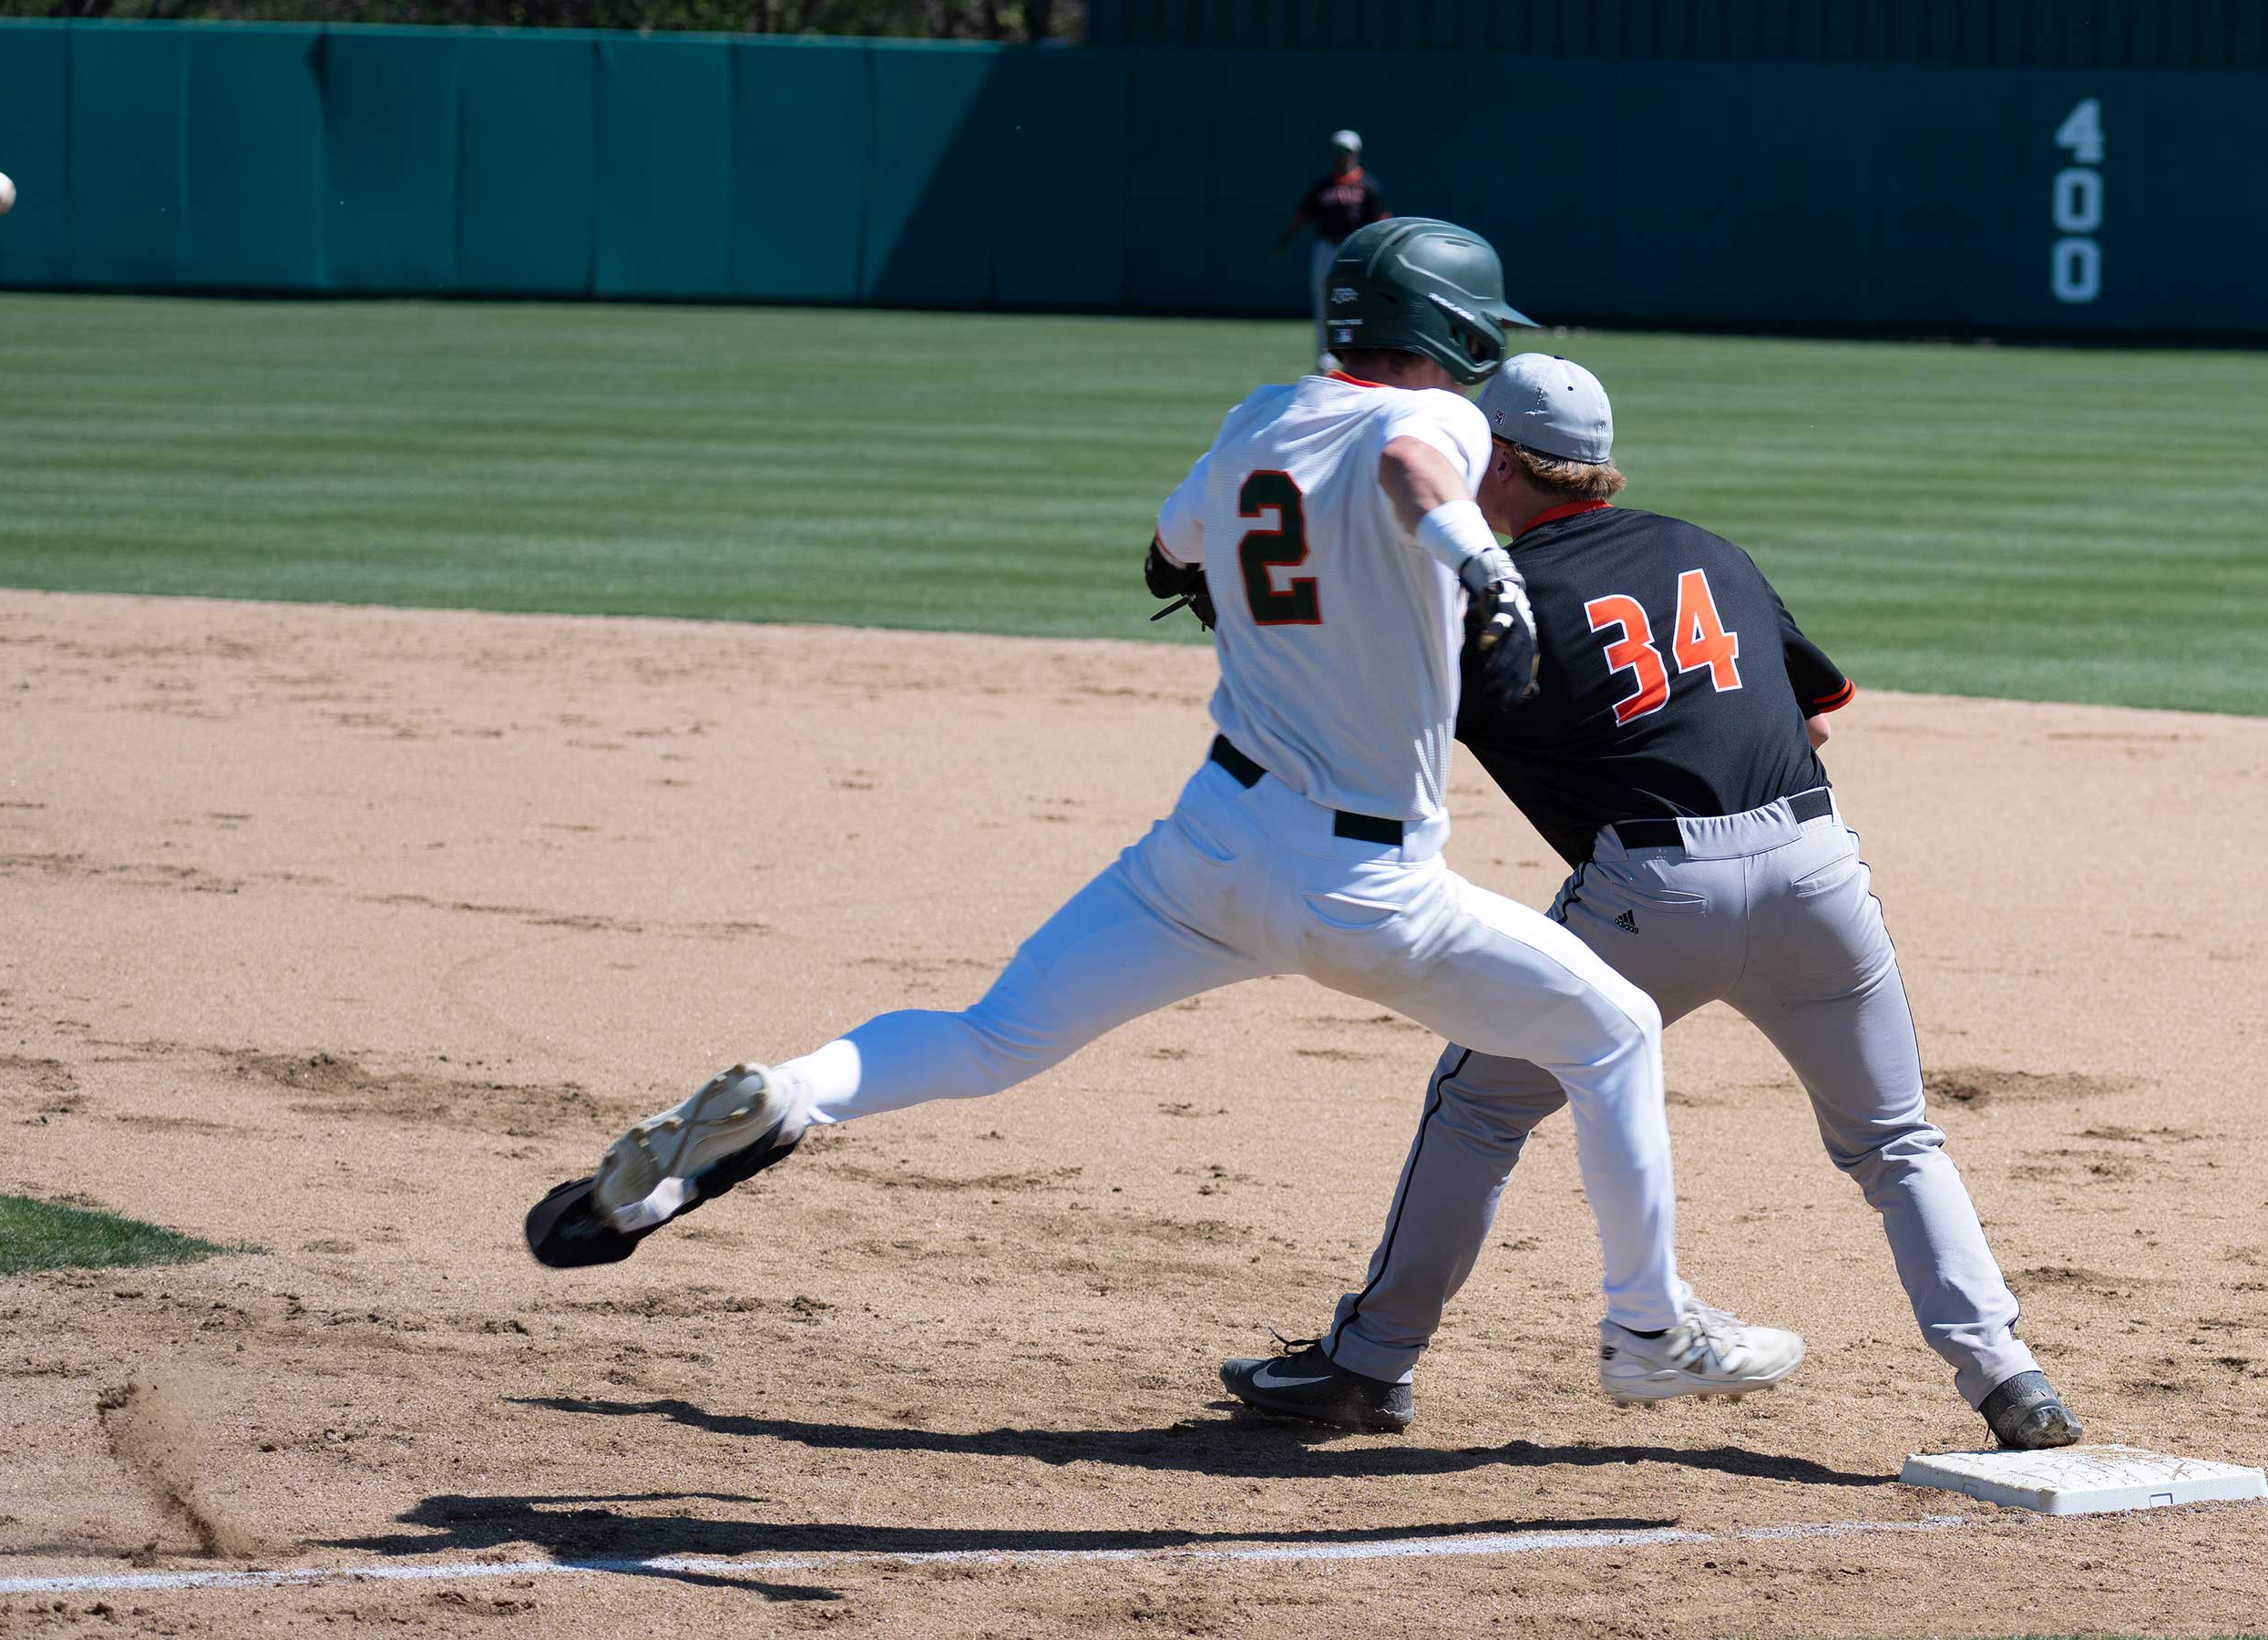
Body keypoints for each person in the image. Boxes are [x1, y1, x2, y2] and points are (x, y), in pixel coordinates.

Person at [525, 222, 1801, 1431]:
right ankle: (1648, 1329)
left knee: (989, 1039)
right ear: (1452, 331)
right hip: (1366, 885)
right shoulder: (1439, 420)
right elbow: (1410, 466)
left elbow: (1168, 548)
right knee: (1613, 1030)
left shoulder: (1255, 420)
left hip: (1207, 850)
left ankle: (792, 1093)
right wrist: (1486, 569)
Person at [1219, 355, 2081, 1451]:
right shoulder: (1707, 550)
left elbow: (1362, 735)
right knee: (1896, 1140)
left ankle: (1369, 1363)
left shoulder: (1490, 597)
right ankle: (2011, 1382)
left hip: (1654, 897)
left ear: (1500, 463)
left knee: (1480, 1106)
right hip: (1818, 872)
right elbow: (1814, 720)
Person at [1273, 130, 1389, 370]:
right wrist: (1286, 238)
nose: (1342, 157)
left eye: (1346, 152)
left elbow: (1381, 219)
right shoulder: (1324, 186)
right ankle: (1325, 356)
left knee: (1357, 301)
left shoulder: (1368, 186)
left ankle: (1356, 356)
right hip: (1327, 247)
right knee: (1323, 299)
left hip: (1356, 249)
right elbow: (1303, 214)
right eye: (1338, 152)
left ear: (1355, 153)